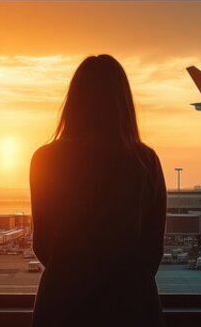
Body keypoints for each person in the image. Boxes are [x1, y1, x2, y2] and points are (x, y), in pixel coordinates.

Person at [30, 55, 167, 327]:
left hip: (62, 303)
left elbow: (41, 243)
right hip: (132, 304)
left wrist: (72, 270)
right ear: (123, 104)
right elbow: (153, 248)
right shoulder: (144, 160)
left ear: (74, 102)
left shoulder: (45, 159)